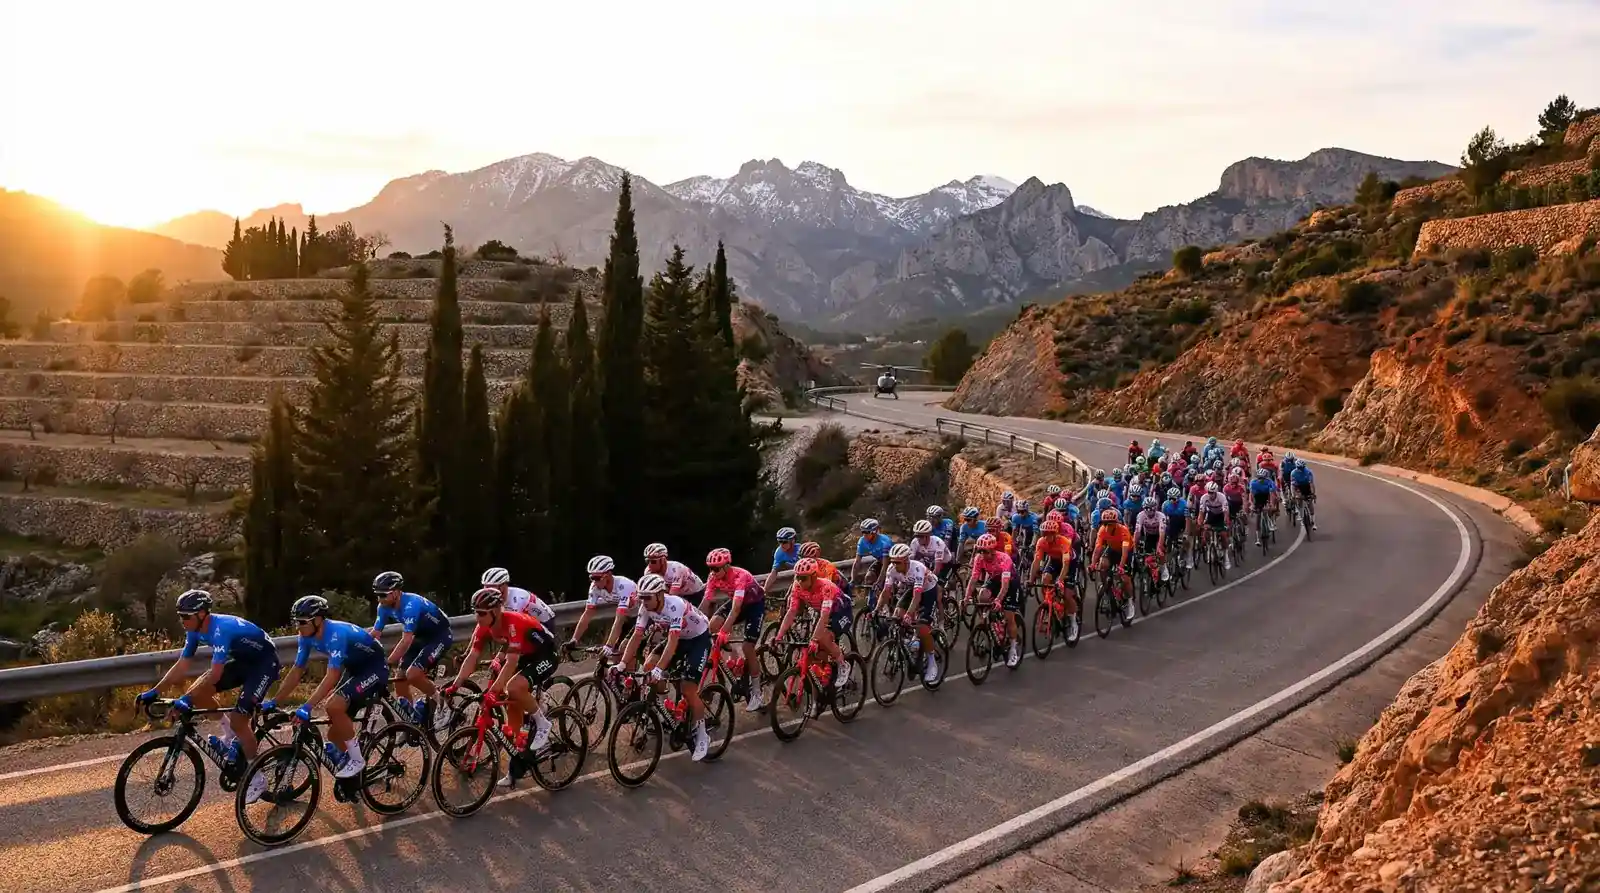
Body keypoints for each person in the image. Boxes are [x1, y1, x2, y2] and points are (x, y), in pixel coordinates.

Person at [137, 589, 280, 803]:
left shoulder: (221, 629)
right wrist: (155, 691)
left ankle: (256, 777)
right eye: (180, 616)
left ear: (202, 614)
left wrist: (186, 699)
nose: (182, 620)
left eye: (186, 616)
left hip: (264, 664)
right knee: (198, 694)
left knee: (241, 719)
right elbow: (182, 664)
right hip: (242, 661)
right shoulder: (194, 630)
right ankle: (229, 732)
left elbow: (215, 674)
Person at [448, 587, 561, 784]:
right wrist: (455, 685)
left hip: (546, 655)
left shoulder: (513, 622)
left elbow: (511, 662)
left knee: (514, 687)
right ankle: (517, 765)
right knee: (512, 707)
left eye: (482, 613)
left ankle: (543, 723)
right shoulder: (482, 626)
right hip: (527, 655)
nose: (477, 617)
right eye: (475, 612)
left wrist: (492, 692)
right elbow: (472, 658)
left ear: (496, 611)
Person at [268, 595, 389, 779]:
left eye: (302, 622)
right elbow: (297, 671)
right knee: (334, 734)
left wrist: (307, 707)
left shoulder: (335, 634)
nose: (297, 627)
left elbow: (332, 675)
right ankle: (356, 772)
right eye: (295, 622)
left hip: (374, 667)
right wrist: (275, 700)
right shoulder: (305, 636)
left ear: (318, 620)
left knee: (333, 706)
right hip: (355, 668)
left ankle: (357, 760)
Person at [619, 573, 715, 761]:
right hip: (679, 639)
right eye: (641, 598)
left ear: (661, 595)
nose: (644, 602)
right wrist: (622, 663)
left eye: (648, 598)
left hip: (698, 639)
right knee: (648, 665)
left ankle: (703, 735)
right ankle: (665, 715)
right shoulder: (646, 608)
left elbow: (672, 643)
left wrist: (659, 669)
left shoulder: (675, 605)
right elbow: (636, 637)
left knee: (688, 688)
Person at [369, 571, 453, 731]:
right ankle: (412, 722)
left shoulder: (411, 604)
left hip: (439, 636)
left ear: (396, 592)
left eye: (383, 595)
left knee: (413, 674)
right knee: (399, 679)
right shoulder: (383, 606)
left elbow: (406, 640)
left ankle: (443, 704)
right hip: (420, 636)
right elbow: (375, 634)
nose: (379, 599)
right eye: (377, 595)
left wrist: (386, 662)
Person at [701, 548, 766, 712]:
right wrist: (694, 623)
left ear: (726, 566)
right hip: (737, 603)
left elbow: (736, 609)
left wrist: (724, 632)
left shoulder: (740, 576)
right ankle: (732, 654)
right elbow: (706, 603)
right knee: (711, 626)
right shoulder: (712, 577)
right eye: (710, 568)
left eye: (716, 568)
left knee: (748, 647)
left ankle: (757, 692)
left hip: (754, 606)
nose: (713, 572)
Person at [773, 557, 852, 688]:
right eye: (797, 577)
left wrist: (815, 639)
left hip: (841, 612)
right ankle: (827, 669)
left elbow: (824, 617)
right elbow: (791, 612)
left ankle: (843, 664)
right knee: (813, 651)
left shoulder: (825, 587)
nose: (799, 581)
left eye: (803, 578)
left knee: (823, 638)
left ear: (814, 576)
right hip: (821, 612)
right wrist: (779, 636)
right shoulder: (797, 587)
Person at [882, 543, 942, 684]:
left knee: (922, 627)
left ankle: (932, 662)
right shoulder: (891, 569)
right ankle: (910, 643)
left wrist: (910, 614)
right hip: (912, 588)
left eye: (898, 562)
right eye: (893, 561)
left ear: (906, 561)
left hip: (929, 590)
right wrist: (876, 609)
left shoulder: (917, 568)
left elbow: (917, 597)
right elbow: (886, 592)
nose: (895, 565)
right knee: (897, 614)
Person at [964, 533, 1023, 668]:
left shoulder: (1004, 559)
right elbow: (973, 580)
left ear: (992, 550)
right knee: (982, 596)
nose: (981, 553)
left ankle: (1013, 648)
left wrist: (998, 600)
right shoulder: (979, 558)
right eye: (979, 550)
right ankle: (989, 623)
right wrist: (966, 598)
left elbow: (1005, 585)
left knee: (1009, 616)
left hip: (1011, 583)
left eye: (984, 551)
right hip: (995, 579)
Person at [565, 555, 638, 655]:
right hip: (627, 619)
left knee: (624, 651)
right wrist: (574, 640)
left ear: (608, 574)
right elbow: (588, 614)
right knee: (614, 656)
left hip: (641, 617)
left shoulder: (624, 585)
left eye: (597, 578)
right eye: (592, 578)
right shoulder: (595, 587)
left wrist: (609, 645)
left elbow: (619, 619)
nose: (594, 582)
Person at [1029, 519, 1080, 640]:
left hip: (1069, 563)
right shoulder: (1041, 542)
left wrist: (1060, 581)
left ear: (1055, 533)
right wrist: (1030, 580)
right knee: (1045, 579)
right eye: (1044, 534)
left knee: (1067, 594)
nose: (1046, 536)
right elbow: (1036, 562)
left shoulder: (1064, 542)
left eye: (1049, 534)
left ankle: (1073, 622)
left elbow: (1066, 565)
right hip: (1054, 561)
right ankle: (1049, 605)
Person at [1091, 509, 1136, 623]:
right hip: (1112, 549)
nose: (1107, 526)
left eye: (1110, 524)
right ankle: (1106, 587)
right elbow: (1097, 549)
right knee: (1102, 563)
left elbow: (1125, 552)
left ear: (1116, 523)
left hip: (1126, 551)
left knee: (1125, 578)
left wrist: (1121, 567)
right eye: (1105, 524)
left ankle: (1130, 601)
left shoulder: (1123, 531)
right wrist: (1092, 564)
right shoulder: (1102, 530)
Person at [480, 566, 555, 626]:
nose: (487, 590)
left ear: (503, 586)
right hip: (528, 621)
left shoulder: (518, 599)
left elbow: (514, 625)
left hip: (544, 623)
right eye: (485, 586)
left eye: (491, 586)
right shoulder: (498, 596)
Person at [1196, 481, 1232, 569]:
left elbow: (1226, 512)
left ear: (1216, 492)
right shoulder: (1204, 498)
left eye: (1212, 493)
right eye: (1209, 492)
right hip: (1211, 515)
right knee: (1205, 533)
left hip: (1221, 515)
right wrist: (1200, 523)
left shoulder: (1221, 497)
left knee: (1223, 534)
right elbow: (1201, 512)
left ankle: (1226, 557)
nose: (1210, 494)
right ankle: (1209, 549)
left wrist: (1225, 523)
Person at [766, 527, 802, 592]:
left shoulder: (800, 549)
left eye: (785, 542)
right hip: (792, 579)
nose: (781, 545)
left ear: (793, 541)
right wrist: (765, 589)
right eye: (779, 542)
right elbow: (773, 573)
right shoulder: (779, 552)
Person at [1249, 468, 1279, 545]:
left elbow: (1272, 494)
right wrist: (1252, 505)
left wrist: (1271, 505)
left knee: (1270, 508)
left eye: (1263, 478)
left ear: (1266, 478)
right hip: (1258, 498)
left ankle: (1271, 521)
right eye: (1259, 478)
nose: (1261, 480)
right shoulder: (1253, 483)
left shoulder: (1269, 482)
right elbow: (1251, 496)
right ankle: (1258, 538)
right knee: (1258, 516)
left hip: (1267, 496)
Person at [1290, 460, 1318, 530]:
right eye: (1299, 468)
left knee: (1310, 504)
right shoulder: (1293, 473)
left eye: (1302, 468)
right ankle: (1301, 515)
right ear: (1296, 467)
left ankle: (1313, 522)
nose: (1301, 469)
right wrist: (1293, 495)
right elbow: (1293, 485)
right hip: (1298, 487)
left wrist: (1313, 494)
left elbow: (1311, 484)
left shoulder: (1308, 472)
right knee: (1299, 501)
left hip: (1307, 487)